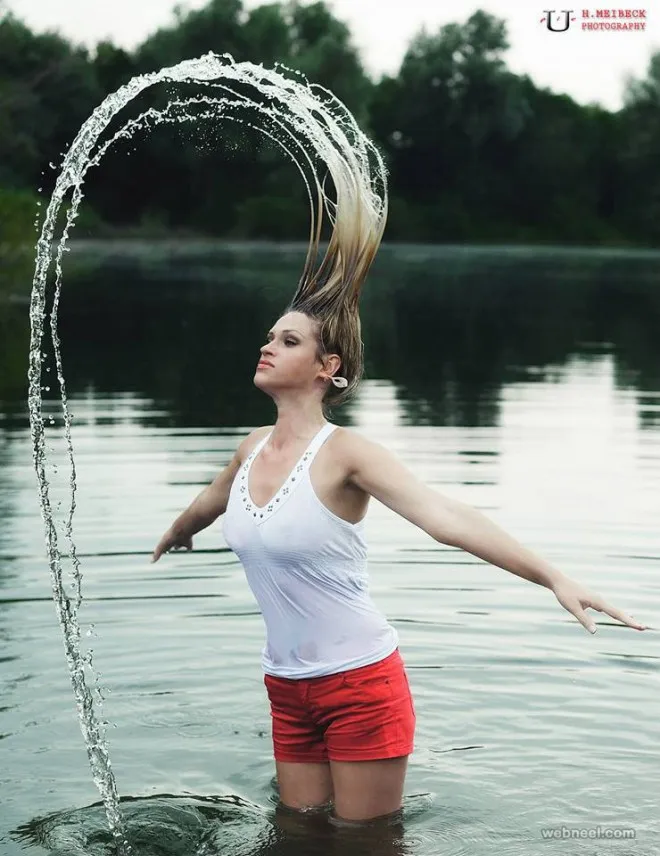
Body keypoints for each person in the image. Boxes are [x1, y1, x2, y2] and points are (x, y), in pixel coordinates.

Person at [151, 120, 646, 830]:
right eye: (268, 335)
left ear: (327, 370)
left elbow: (448, 520)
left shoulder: (348, 455)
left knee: (364, 843)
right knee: (295, 835)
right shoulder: (250, 448)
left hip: (359, 684)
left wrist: (553, 577)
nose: (267, 344)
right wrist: (177, 531)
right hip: (287, 687)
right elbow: (211, 499)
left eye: (287, 340)